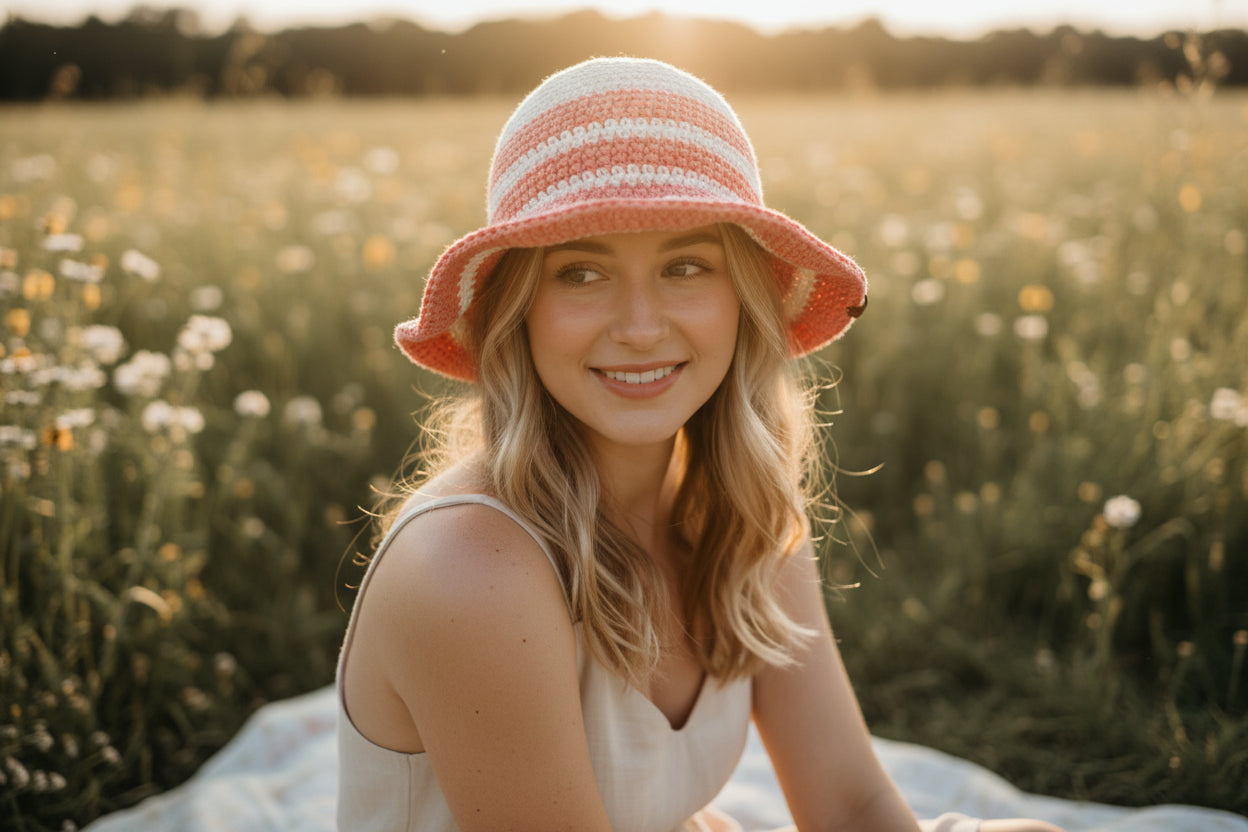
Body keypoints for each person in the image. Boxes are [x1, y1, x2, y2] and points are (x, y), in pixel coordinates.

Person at [335, 57, 1064, 832]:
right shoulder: (471, 571)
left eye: (686, 266)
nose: (640, 326)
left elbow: (849, 806)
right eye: (581, 273)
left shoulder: (740, 514)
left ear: (743, 300)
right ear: (518, 310)